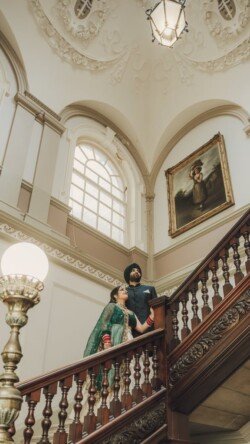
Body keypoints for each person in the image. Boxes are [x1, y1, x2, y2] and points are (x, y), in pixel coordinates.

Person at [83, 285, 154, 357]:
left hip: (129, 339)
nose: (125, 291)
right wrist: (106, 341)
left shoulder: (131, 313)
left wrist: (152, 316)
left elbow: (141, 329)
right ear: (115, 296)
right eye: (122, 290)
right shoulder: (111, 306)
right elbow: (105, 324)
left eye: (126, 290)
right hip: (115, 338)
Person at [124, 263, 157, 338]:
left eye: (138, 271)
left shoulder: (149, 289)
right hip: (130, 332)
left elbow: (156, 307)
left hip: (149, 329)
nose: (136, 272)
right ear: (128, 274)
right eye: (133, 270)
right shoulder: (123, 292)